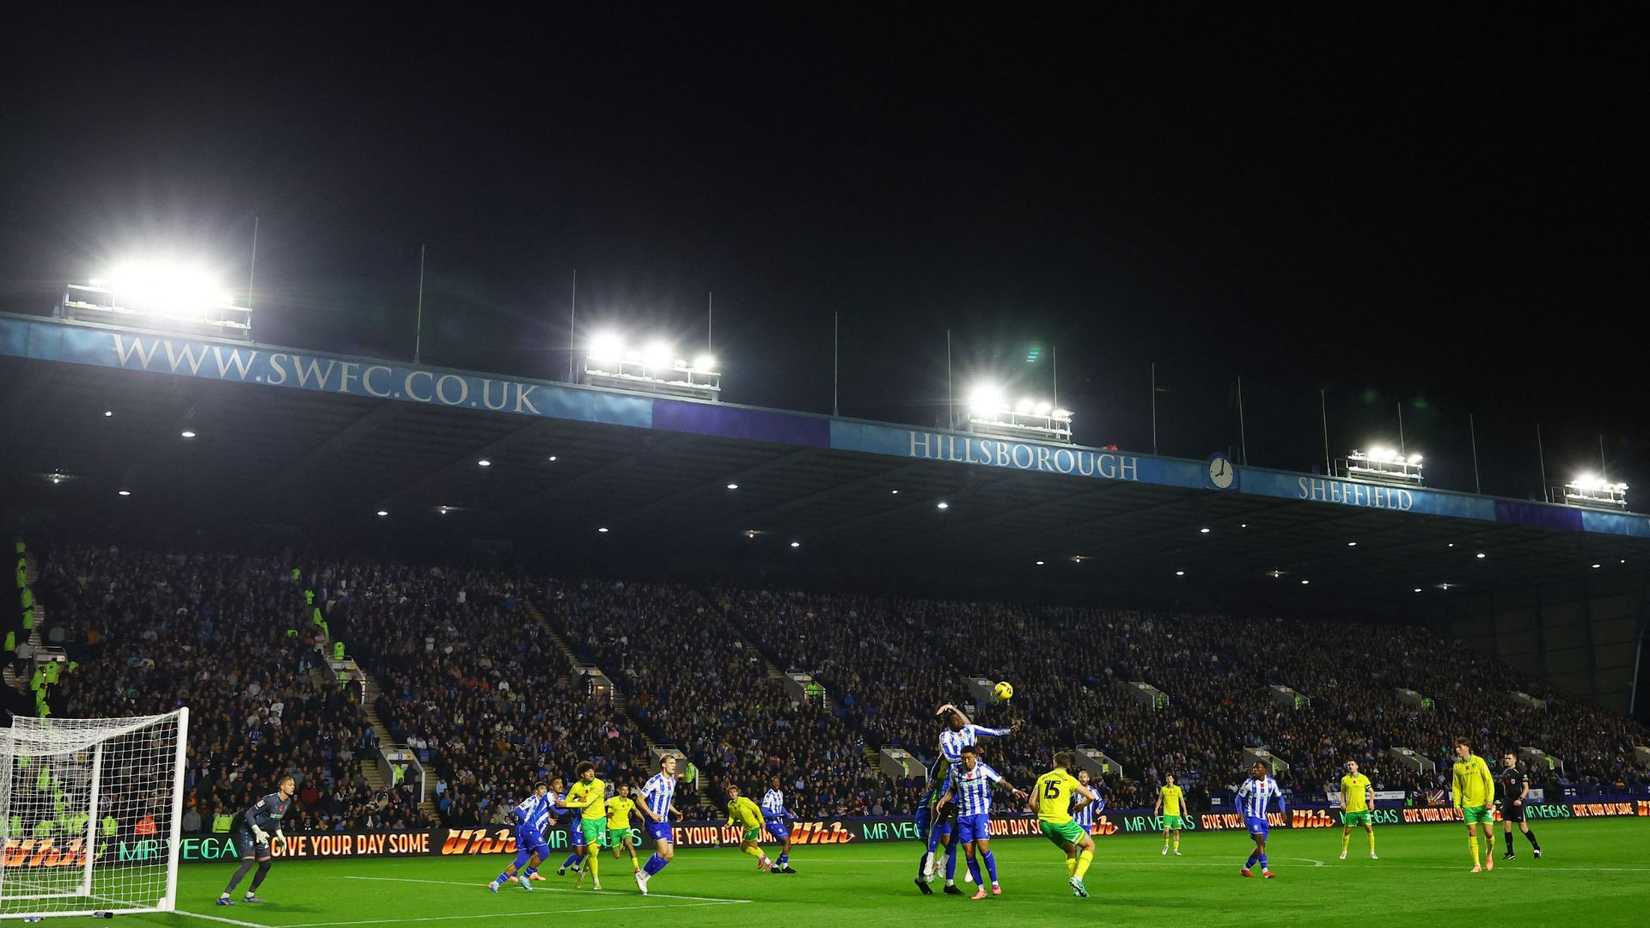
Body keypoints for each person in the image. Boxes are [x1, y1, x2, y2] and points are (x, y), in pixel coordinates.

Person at [936, 744, 1025, 901]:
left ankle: (995, 883)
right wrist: (944, 799)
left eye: (968, 758)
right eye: (963, 758)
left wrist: (1013, 790)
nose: (965, 761)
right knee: (969, 853)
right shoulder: (956, 771)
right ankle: (981, 888)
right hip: (963, 817)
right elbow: (952, 789)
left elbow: (1000, 781)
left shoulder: (983, 769)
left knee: (984, 849)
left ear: (975, 757)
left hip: (980, 814)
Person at [1030, 751, 1100, 898]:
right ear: (1068, 765)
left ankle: (1076, 888)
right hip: (1062, 821)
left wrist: (1041, 816)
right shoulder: (1069, 779)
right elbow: (1090, 796)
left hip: (1044, 824)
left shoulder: (1042, 778)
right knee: (1089, 846)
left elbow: (1031, 802)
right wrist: (1081, 806)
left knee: (1070, 850)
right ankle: (1077, 878)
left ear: (1054, 763)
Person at [217, 776, 295, 906]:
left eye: (293, 785)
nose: (293, 786)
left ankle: (250, 895)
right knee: (248, 863)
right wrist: (257, 831)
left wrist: (280, 836)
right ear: (282, 786)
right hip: (248, 831)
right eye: (290, 784)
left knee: (266, 864)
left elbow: (275, 820)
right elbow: (248, 814)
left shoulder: (287, 802)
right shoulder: (269, 800)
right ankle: (224, 896)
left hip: (262, 835)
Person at [488, 782, 551, 893]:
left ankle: (496, 882)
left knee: (521, 860)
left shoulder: (543, 803)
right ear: (536, 791)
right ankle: (526, 876)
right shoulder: (532, 799)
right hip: (525, 829)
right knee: (544, 851)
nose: (544, 791)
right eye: (541, 789)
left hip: (526, 831)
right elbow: (517, 809)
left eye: (545, 789)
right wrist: (527, 821)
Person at [913, 753, 962, 895]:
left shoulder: (951, 779)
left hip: (940, 815)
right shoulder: (938, 781)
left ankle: (949, 883)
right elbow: (934, 806)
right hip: (925, 817)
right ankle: (923, 878)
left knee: (949, 846)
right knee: (931, 850)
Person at [634, 755, 683, 895]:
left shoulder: (672, 781)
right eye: (671, 763)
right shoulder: (655, 780)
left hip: (665, 822)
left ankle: (643, 877)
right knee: (662, 851)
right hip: (654, 821)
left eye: (675, 763)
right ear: (663, 765)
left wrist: (676, 812)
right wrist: (650, 814)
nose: (674, 765)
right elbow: (639, 799)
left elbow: (666, 801)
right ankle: (641, 875)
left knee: (669, 855)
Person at [1451, 737, 1497, 873]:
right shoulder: (1457, 766)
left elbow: (1489, 781)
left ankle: (1489, 854)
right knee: (1472, 831)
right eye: (1456, 747)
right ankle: (1477, 864)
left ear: (1466, 747)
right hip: (1468, 805)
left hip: (1484, 804)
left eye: (1459, 747)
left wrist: (1489, 799)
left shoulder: (1479, 761)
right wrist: (1457, 805)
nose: (1457, 750)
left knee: (1489, 834)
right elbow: (1456, 787)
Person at [1235, 761, 1285, 879]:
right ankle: (1265, 870)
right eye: (1253, 768)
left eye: (1257, 768)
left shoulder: (1271, 783)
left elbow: (1280, 797)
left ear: (1264, 770)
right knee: (1260, 841)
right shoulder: (1249, 783)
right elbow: (1238, 799)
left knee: (1261, 846)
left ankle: (1245, 868)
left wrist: (1282, 810)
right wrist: (1240, 813)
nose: (1254, 770)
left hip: (1263, 817)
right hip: (1251, 815)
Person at [564, 761, 609, 889]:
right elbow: (567, 800)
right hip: (587, 821)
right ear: (582, 775)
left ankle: (582, 875)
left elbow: (586, 802)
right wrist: (568, 802)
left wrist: (568, 804)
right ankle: (596, 881)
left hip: (601, 820)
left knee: (594, 852)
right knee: (592, 851)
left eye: (592, 770)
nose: (591, 773)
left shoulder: (599, 784)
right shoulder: (577, 786)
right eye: (588, 771)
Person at [1497, 752, 1542, 861]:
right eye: (1506, 758)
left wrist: (1520, 799)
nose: (1506, 760)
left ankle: (1537, 848)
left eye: (1509, 758)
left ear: (1514, 760)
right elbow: (1504, 788)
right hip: (1508, 802)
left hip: (1518, 801)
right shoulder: (1505, 772)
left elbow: (1526, 788)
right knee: (1507, 826)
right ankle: (1510, 852)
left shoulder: (1520, 772)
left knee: (1523, 828)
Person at [724, 783, 774, 871]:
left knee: (745, 845)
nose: (732, 794)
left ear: (737, 793)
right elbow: (732, 816)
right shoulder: (730, 805)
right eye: (730, 792)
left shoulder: (744, 800)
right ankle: (769, 863)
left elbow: (756, 809)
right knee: (749, 848)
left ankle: (761, 857)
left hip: (754, 826)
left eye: (734, 792)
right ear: (729, 794)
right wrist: (728, 824)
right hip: (746, 828)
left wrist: (762, 821)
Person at [1338, 760, 1377, 861]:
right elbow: (1342, 792)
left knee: (1369, 829)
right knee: (1347, 832)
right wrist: (1342, 802)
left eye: (1352, 765)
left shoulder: (1363, 778)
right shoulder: (1345, 779)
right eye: (1348, 765)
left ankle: (1372, 852)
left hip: (1363, 810)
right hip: (1350, 810)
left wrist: (1371, 802)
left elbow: (1371, 791)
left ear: (1357, 766)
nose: (1350, 766)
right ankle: (1344, 852)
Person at [761, 774, 798, 874]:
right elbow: (764, 811)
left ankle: (776, 865)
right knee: (786, 841)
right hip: (771, 823)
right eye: (774, 782)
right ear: (771, 784)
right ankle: (785, 866)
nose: (777, 784)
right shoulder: (769, 795)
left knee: (788, 845)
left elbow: (781, 806)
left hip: (779, 822)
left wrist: (787, 814)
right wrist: (775, 814)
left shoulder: (780, 793)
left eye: (778, 782)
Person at [606, 783, 641, 871]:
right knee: (617, 856)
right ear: (619, 791)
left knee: (630, 845)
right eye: (623, 790)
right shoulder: (612, 800)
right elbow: (602, 807)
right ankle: (621, 844)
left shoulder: (630, 802)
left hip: (625, 827)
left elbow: (636, 811)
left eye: (627, 790)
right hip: (614, 829)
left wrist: (643, 819)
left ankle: (637, 868)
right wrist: (606, 814)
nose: (625, 792)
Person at [1154, 773, 1186, 856]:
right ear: (1166, 780)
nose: (1169, 780)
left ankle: (1175, 850)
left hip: (1176, 813)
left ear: (1173, 780)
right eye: (1167, 779)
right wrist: (1156, 809)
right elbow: (1160, 799)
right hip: (1167, 813)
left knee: (1176, 832)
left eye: (1170, 778)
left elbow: (1182, 800)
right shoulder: (1163, 789)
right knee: (1166, 830)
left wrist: (1185, 811)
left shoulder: (1178, 789)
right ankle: (1166, 845)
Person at [1071, 768, 1103, 837]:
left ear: (1088, 778)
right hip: (1076, 822)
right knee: (1075, 844)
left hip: (1087, 823)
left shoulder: (1093, 790)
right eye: (1081, 777)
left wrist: (1099, 809)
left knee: (1087, 845)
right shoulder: (1074, 790)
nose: (1083, 779)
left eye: (1084, 777)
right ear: (1078, 779)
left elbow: (1101, 802)